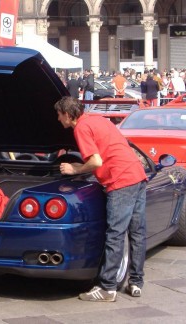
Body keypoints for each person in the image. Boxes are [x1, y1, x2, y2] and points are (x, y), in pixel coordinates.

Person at [54, 96, 147, 302]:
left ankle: (107, 288)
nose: (58, 120)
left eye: (59, 115)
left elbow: (96, 161)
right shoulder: (97, 118)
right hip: (137, 174)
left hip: (120, 180)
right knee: (137, 232)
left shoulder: (81, 128)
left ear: (68, 115)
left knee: (115, 233)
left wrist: (75, 168)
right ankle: (136, 282)